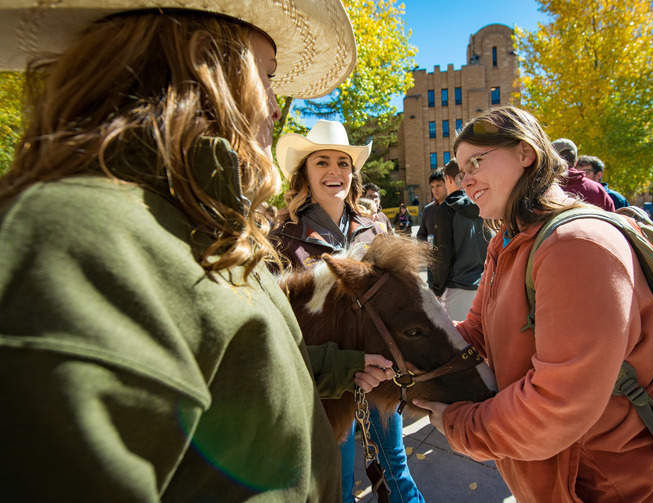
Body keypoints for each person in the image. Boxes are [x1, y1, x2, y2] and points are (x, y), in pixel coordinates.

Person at [0, 2, 399, 500]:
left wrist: (339, 367)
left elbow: (236, 368)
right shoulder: (71, 240)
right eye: (268, 77)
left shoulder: (202, 223)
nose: (276, 107)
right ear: (205, 62)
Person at [412, 105, 653, 502]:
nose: (467, 178)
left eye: (476, 161)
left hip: (611, 487)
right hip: (551, 481)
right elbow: (477, 333)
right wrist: (403, 349)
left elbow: (557, 405)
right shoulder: (507, 240)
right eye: (461, 171)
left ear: (526, 153)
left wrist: (460, 425)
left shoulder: (575, 244)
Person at [271, 119, 424, 503]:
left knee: (395, 466)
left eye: (342, 162)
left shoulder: (377, 228)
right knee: (334, 480)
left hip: (380, 370)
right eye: (321, 162)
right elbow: (280, 321)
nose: (334, 171)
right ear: (304, 173)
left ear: (353, 173)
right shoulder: (280, 238)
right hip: (326, 380)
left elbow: (403, 300)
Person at [431, 159, 491, 321]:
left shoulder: (447, 208)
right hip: (484, 286)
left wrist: (436, 289)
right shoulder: (482, 203)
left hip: (456, 287)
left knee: (458, 343)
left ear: (449, 179)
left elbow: (441, 253)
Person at [551, 138, 615, 211]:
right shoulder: (597, 190)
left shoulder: (544, 190)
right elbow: (613, 219)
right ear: (576, 162)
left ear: (551, 160)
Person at [417, 168, 448, 244]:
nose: (435, 190)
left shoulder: (454, 207)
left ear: (447, 184)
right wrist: (424, 243)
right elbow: (421, 235)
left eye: (438, 185)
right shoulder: (428, 210)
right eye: (433, 187)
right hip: (433, 254)